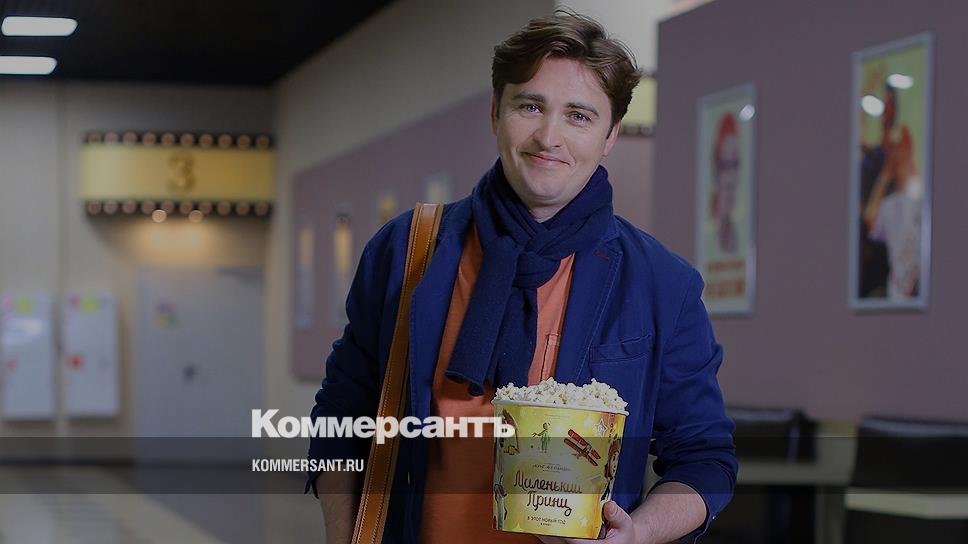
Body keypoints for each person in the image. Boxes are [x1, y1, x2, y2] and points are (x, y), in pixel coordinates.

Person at [307, 12, 737, 544]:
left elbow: (704, 459)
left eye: (578, 116)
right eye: (530, 106)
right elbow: (342, 417)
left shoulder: (661, 283)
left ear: (610, 135)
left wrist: (638, 533)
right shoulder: (406, 252)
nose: (549, 136)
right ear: (495, 111)